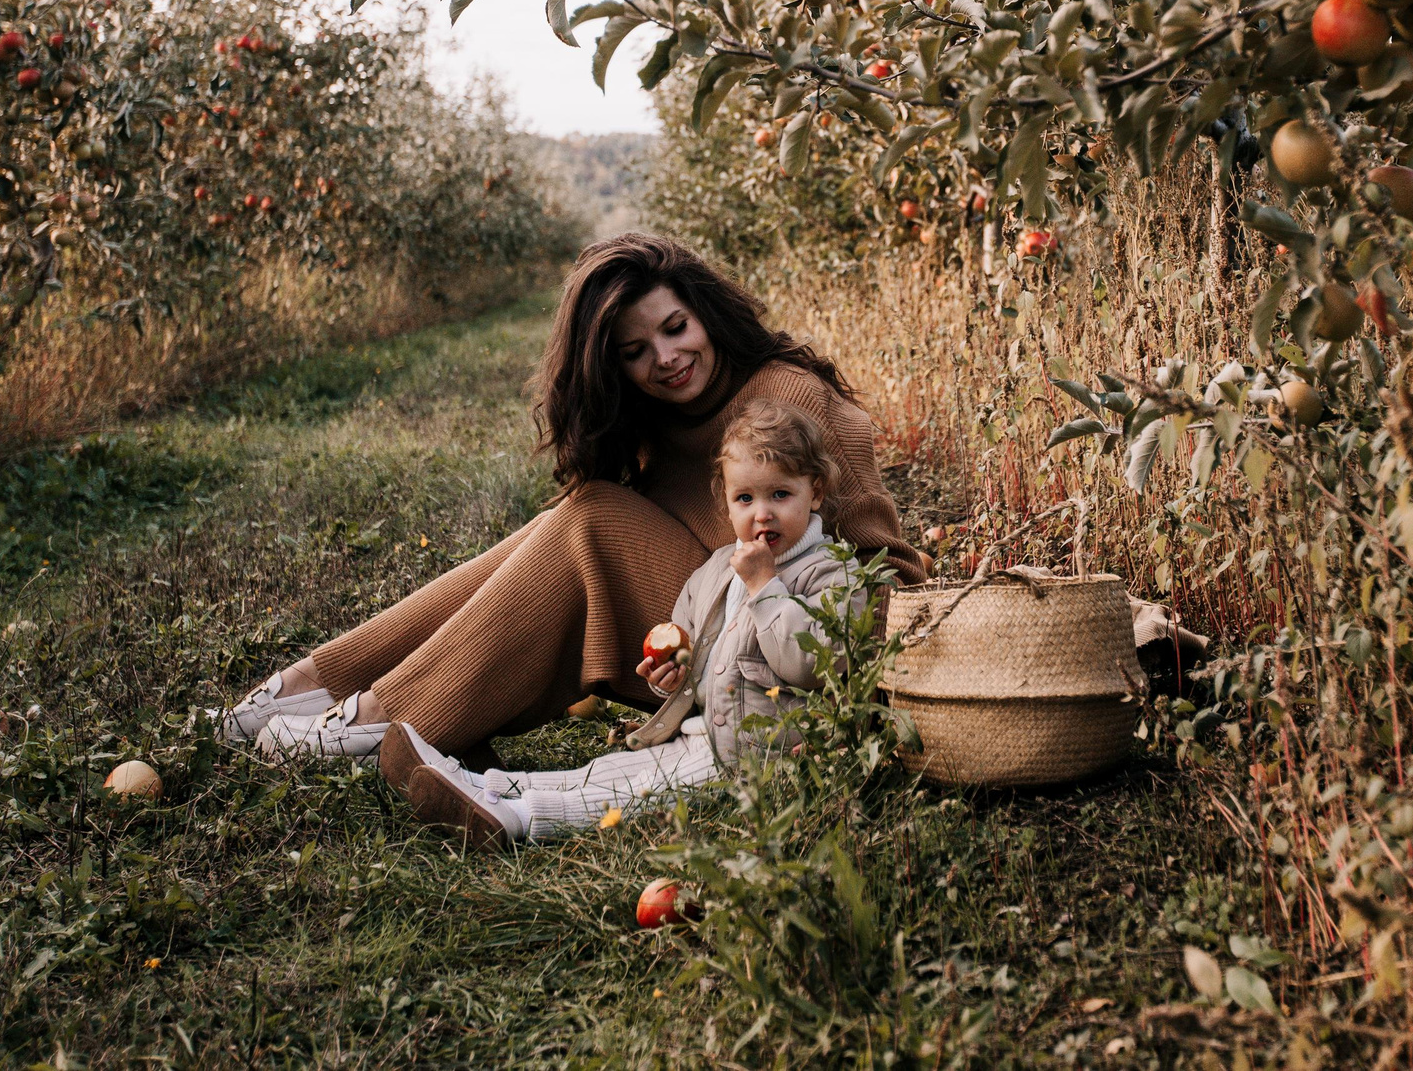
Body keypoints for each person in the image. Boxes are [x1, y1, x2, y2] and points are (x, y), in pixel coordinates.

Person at [206, 234, 926, 777]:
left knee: (590, 518)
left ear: (705, 313)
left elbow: (884, 567)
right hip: (707, 626)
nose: (665, 358)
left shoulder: (788, 398)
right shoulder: (659, 421)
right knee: (569, 516)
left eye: (675, 327)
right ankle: (309, 684)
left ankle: (380, 718)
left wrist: (831, 646)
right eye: (634, 351)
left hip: (786, 651)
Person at [391, 398, 862, 841]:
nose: (762, 514)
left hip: (756, 762)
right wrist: (669, 676)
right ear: (726, 501)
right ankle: (482, 785)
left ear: (815, 492)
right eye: (745, 499)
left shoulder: (831, 573)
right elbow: (689, 655)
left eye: (780, 494)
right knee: (601, 773)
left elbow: (810, 664)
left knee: (632, 795)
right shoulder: (717, 569)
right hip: (697, 739)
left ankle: (516, 818)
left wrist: (765, 587)